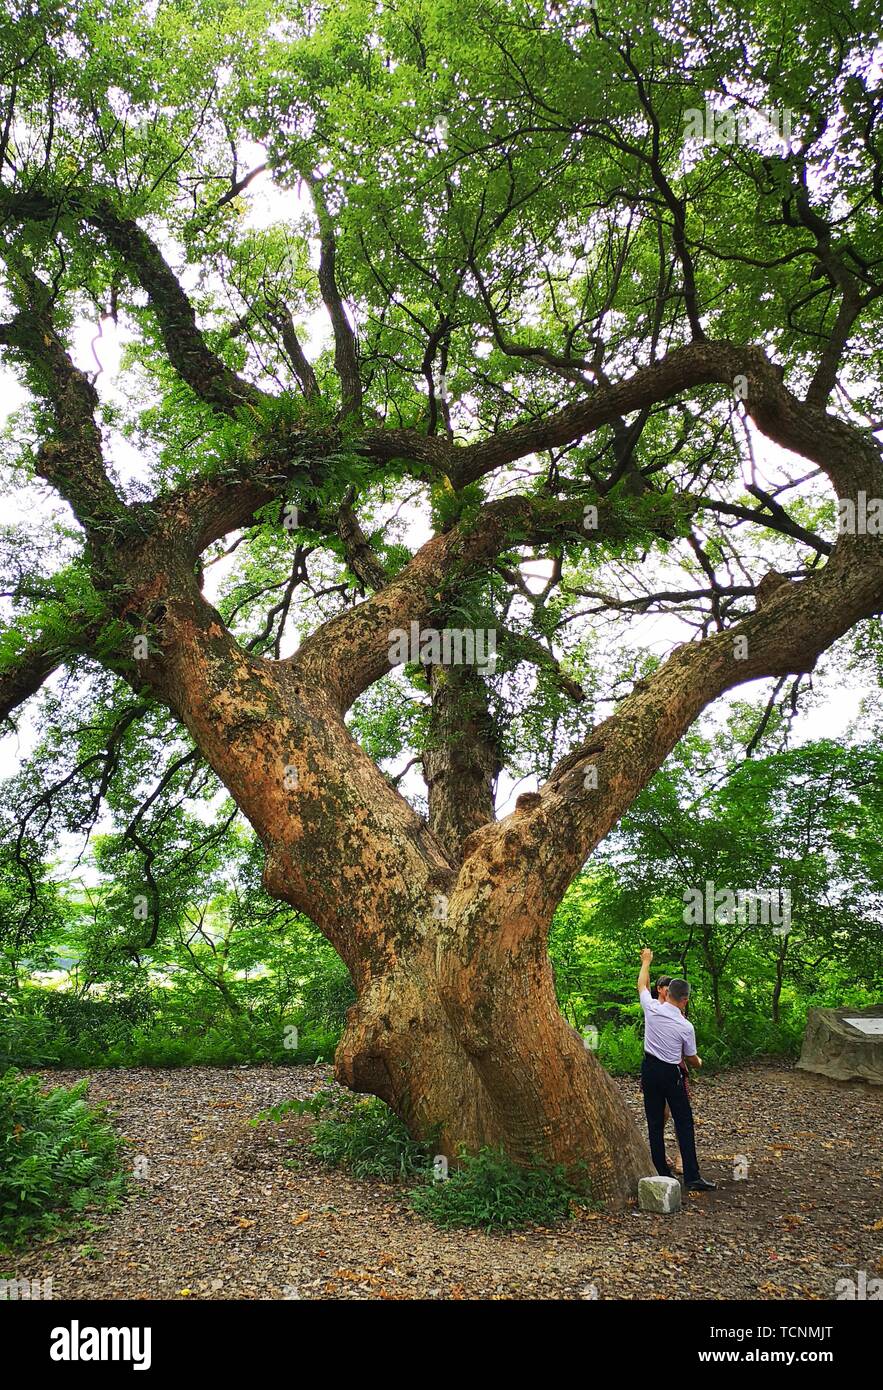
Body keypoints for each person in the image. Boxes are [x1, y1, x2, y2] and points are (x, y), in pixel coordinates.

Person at [637, 947, 716, 1193]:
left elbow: (641, 985)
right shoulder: (685, 1026)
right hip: (672, 1074)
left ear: (666, 993)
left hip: (649, 1069)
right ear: (684, 999)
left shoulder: (652, 1009)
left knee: (654, 1121)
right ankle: (692, 1176)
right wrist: (701, 1063)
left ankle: (661, 1171)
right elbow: (691, 1059)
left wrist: (646, 962)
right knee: (683, 1121)